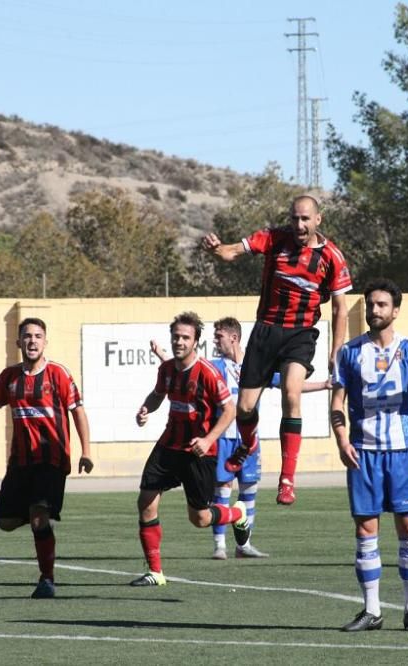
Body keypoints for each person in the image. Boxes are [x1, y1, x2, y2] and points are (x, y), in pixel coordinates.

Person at [202, 194, 352, 505]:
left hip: (300, 333)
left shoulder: (332, 258)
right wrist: (218, 249)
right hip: (265, 330)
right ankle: (247, 443)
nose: (299, 224)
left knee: (291, 392)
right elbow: (232, 253)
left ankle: (287, 478)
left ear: (318, 220)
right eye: (295, 218)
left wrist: (336, 350)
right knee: (244, 408)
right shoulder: (273, 238)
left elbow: (340, 309)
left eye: (305, 219)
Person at [152, 317, 330, 559]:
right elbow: (188, 369)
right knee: (222, 488)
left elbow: (290, 384)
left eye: (219, 337)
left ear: (233, 337)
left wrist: (323, 385)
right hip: (223, 438)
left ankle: (244, 545)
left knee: (249, 488)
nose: (216, 341)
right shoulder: (215, 365)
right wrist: (163, 355)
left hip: (249, 439)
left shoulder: (257, 366)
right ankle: (219, 546)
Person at [330, 278, 408, 633]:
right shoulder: (349, 352)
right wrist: (340, 440)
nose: (374, 310)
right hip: (364, 453)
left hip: (405, 452)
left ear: (396, 311)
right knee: (366, 530)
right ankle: (372, 610)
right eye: (370, 305)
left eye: (381, 305)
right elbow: (337, 402)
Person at [0, 317, 93, 599]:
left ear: (45, 341)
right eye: (27, 336)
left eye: (38, 336)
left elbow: (77, 411)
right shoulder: (10, 377)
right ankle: (40, 518)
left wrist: (86, 451)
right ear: (19, 342)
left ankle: (47, 579)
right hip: (20, 462)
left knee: (38, 515)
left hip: (52, 460)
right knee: (4, 520)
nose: (32, 341)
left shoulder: (59, 374)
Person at [131, 312, 250, 586]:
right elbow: (158, 394)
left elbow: (230, 410)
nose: (179, 342)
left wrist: (208, 439)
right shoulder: (167, 369)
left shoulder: (208, 372)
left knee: (200, 518)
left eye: (185, 337)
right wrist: (146, 408)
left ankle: (237, 514)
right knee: (145, 502)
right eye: (176, 337)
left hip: (200, 453)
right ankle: (155, 572)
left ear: (196, 341)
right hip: (169, 446)